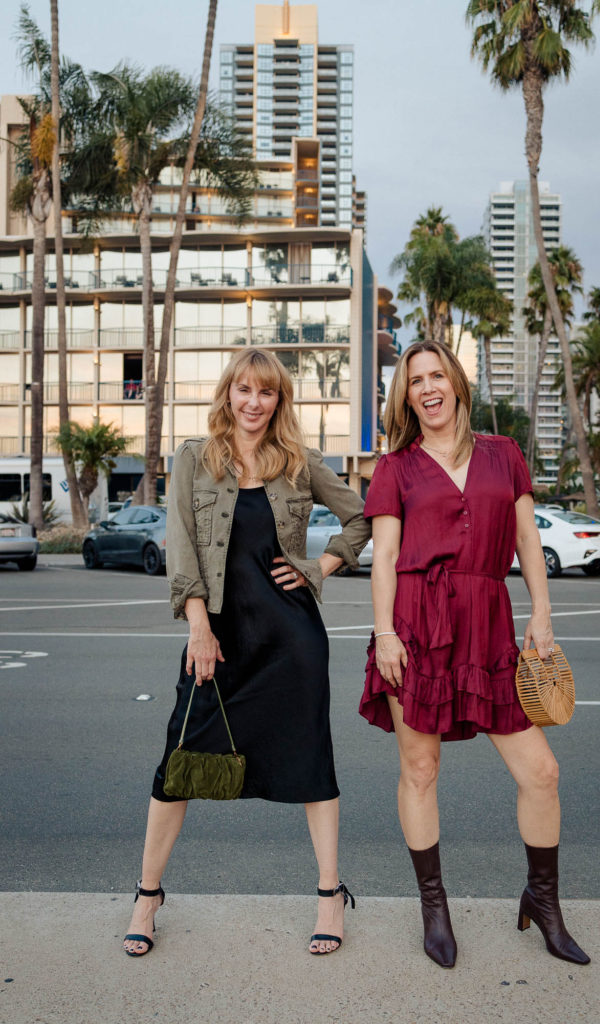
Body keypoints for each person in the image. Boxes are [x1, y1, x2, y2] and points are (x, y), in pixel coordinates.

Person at [123, 349, 370, 958]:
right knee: (175, 767)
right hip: (219, 641)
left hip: (292, 641)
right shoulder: (193, 459)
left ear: (279, 399)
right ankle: (147, 896)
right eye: (243, 389)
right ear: (228, 393)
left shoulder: (299, 463)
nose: (253, 402)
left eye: (266, 392)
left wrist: (319, 566)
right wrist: (198, 629)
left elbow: (363, 517)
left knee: (313, 764)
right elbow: (182, 551)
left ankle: (328, 895)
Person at [360, 341, 590, 970]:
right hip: (416, 626)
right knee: (421, 770)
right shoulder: (396, 467)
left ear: (457, 382)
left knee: (541, 772)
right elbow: (382, 556)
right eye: (415, 382)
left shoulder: (503, 454)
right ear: (406, 396)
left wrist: (541, 612)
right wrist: (384, 632)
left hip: (489, 628)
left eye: (437, 375)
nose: (428, 388)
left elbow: (526, 540)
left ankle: (543, 902)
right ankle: (434, 909)